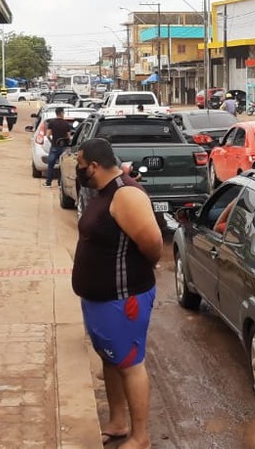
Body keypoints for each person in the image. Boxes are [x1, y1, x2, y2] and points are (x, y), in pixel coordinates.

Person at [72, 138, 162, 449]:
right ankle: (118, 422)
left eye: (81, 165)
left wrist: (143, 269)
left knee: (129, 363)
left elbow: (152, 245)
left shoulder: (126, 194)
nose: (78, 171)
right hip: (100, 298)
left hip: (123, 298)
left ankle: (141, 436)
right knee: (110, 360)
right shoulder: (104, 191)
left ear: (95, 166)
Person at [42, 107, 73, 187]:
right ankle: (60, 184)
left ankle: (48, 183)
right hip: (63, 148)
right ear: (62, 113)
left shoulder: (52, 123)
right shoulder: (66, 124)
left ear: (56, 113)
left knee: (51, 165)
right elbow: (68, 137)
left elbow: (48, 135)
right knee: (62, 166)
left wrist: (52, 142)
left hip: (54, 147)